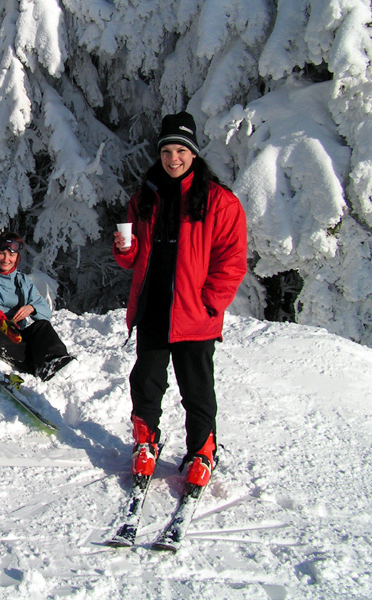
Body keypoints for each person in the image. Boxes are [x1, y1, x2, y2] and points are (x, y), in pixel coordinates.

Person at [113, 111, 247, 487]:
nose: (173, 158)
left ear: (194, 153)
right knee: (146, 381)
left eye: (181, 150)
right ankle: (145, 442)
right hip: (154, 307)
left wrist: (210, 304)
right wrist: (125, 247)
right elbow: (131, 258)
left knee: (197, 387)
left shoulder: (220, 202)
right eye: (167, 151)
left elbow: (232, 261)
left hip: (194, 314)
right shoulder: (145, 197)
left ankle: (202, 450)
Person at [0, 231, 73, 381]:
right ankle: (36, 365)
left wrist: (32, 308)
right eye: (2, 253)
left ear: (17, 257)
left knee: (42, 326)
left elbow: (46, 312)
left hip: (14, 335)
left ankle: (54, 360)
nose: (6, 259)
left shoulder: (23, 282)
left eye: (11, 255)